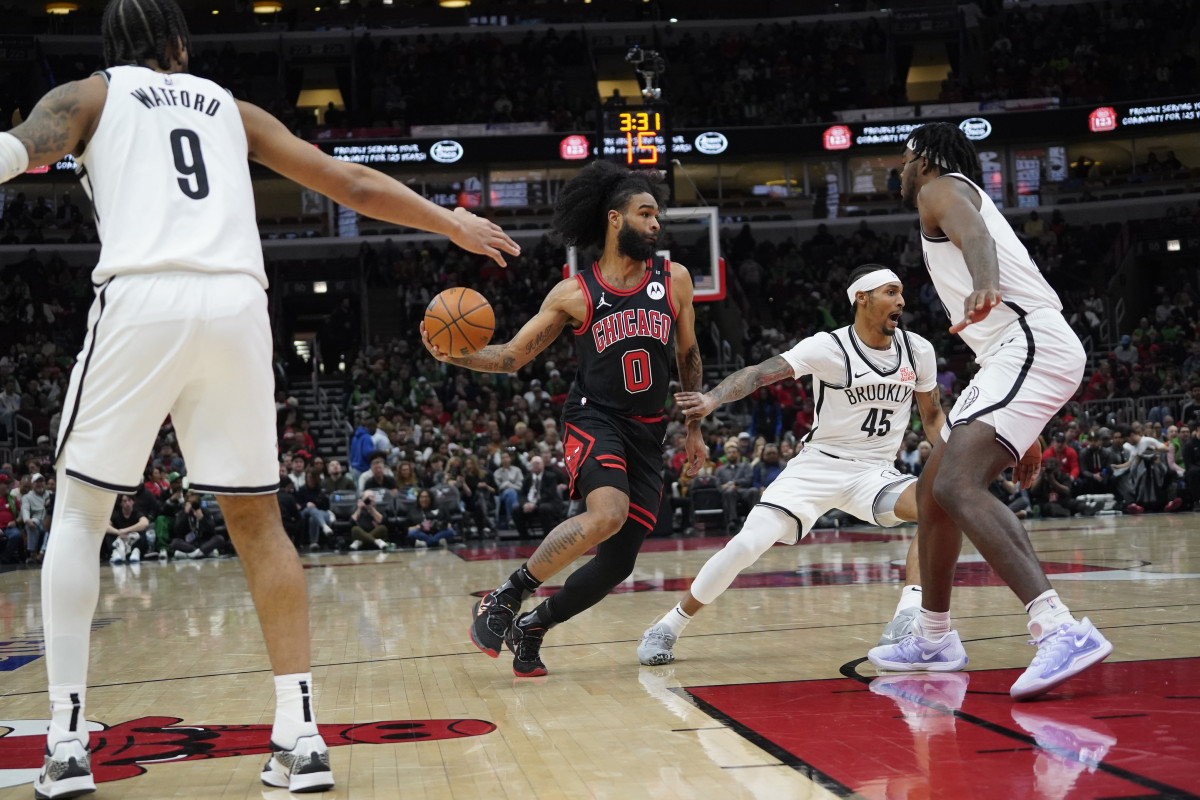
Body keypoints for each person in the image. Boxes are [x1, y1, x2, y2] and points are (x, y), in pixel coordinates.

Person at [0, 0, 520, 793]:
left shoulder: (91, 95)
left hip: (145, 296)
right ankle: (301, 734)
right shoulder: (228, 107)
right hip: (240, 307)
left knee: (79, 510)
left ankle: (68, 746)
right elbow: (345, 181)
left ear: (113, 48)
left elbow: (19, 150)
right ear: (179, 44)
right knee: (258, 521)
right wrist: (447, 220)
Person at [423, 160, 707, 677]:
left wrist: (694, 428)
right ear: (615, 219)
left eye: (657, 216)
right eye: (646, 214)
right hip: (593, 417)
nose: (656, 224)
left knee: (619, 562)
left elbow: (688, 357)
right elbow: (511, 356)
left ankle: (533, 626)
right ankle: (506, 595)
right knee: (607, 512)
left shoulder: (676, 280)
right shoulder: (575, 293)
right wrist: (454, 356)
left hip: (649, 431)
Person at [867, 122, 1112, 700]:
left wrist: (984, 283)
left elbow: (975, 235)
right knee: (933, 490)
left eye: (905, 160)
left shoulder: (940, 188)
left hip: (1026, 343)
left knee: (956, 484)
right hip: (1014, 355)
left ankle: (1057, 628)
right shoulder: (946, 193)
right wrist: (1023, 432)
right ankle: (933, 637)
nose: (901, 171)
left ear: (923, 157)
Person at [638, 265, 943, 665]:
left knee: (937, 505)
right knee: (746, 545)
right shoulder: (828, 347)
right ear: (862, 298)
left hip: (874, 470)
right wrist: (712, 398)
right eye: (890, 292)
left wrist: (957, 461)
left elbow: (933, 416)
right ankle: (668, 625)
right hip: (817, 467)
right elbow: (761, 373)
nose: (901, 301)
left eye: (901, 292)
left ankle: (906, 619)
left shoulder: (918, 350)